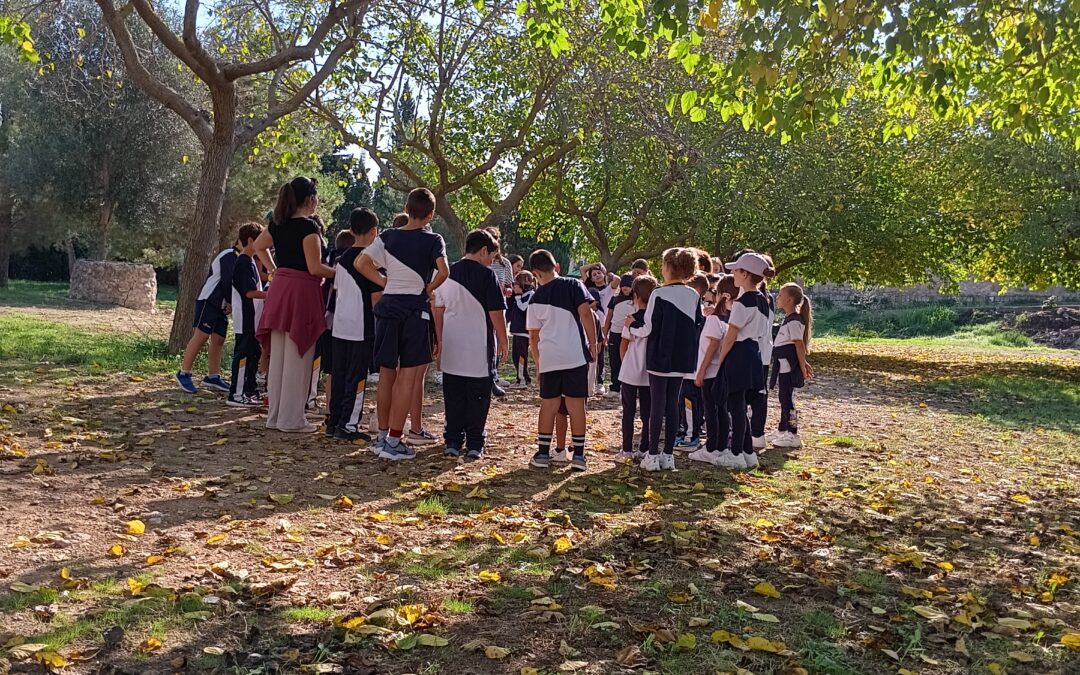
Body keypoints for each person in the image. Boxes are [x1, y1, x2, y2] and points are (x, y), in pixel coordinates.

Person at [356, 188, 449, 460]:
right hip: (414, 311)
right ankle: (395, 440)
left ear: (406, 209)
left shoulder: (387, 236)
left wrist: (386, 282)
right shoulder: (434, 240)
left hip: (388, 309)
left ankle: (383, 435)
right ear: (430, 214)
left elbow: (362, 262)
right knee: (408, 375)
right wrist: (427, 288)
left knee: (387, 373)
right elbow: (444, 271)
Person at [253, 176, 335, 433]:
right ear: (310, 199)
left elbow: (258, 245)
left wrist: (274, 270)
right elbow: (314, 267)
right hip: (301, 291)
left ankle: (276, 415)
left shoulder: (278, 224)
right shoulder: (309, 228)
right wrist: (340, 272)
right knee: (299, 355)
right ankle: (292, 418)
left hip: (281, 290)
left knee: (278, 354)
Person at [433, 229, 509, 459]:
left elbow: (438, 309)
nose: (491, 263)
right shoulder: (487, 276)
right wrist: (503, 340)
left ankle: (453, 440)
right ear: (483, 251)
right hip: (478, 347)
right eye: (492, 257)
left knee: (453, 394)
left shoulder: (447, 273)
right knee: (478, 397)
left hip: (453, 344)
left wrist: (439, 340)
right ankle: (475, 443)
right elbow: (496, 313)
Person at [625, 248, 702, 472]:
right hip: (682, 358)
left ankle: (652, 454)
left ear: (668, 267)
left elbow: (648, 328)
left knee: (657, 406)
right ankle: (668, 455)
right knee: (673, 404)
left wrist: (631, 325)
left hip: (659, 357)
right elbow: (698, 322)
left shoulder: (659, 294)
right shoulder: (693, 294)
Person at [526, 249, 598, 471]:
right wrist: (593, 344)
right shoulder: (573, 285)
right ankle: (578, 456)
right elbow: (586, 314)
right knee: (577, 405)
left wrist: (538, 364)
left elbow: (533, 336)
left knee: (549, 405)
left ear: (535, 273)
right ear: (556, 265)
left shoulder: (535, 298)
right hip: (574, 354)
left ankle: (543, 453)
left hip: (549, 357)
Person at [326, 208, 383, 442]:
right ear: (374, 232)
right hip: (362, 326)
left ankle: (334, 420)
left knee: (339, 374)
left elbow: (338, 290)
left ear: (351, 230)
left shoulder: (342, 259)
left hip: (340, 324)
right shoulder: (370, 261)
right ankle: (348, 425)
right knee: (356, 377)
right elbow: (375, 298)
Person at [715, 252, 775, 469]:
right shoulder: (762, 300)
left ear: (746, 274)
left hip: (739, 353)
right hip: (753, 353)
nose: (732, 274)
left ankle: (736, 453)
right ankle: (748, 452)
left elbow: (731, 335)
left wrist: (721, 359)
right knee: (741, 404)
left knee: (736, 406)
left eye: (736, 270)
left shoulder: (743, 302)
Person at [175, 243, 238, 394]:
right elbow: (227, 280)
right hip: (209, 301)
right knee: (201, 336)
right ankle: (184, 372)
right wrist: (231, 300)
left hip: (222, 306)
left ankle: (213, 377)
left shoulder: (243, 258)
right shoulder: (229, 255)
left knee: (219, 339)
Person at [689, 276, 735, 466]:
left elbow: (712, 345)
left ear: (723, 296)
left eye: (715, 293)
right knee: (721, 410)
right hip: (721, 370)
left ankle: (712, 447)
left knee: (712, 410)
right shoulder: (729, 318)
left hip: (711, 371)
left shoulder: (716, 319)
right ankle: (721, 445)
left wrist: (701, 372)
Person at [315, 229, 356, 428]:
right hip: (347, 318)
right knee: (348, 369)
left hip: (329, 317)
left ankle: (331, 411)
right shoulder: (349, 260)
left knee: (333, 369)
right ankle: (345, 414)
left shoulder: (330, 258)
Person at [226, 223, 267, 406]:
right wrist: (271, 294)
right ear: (250, 240)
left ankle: (249, 390)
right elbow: (249, 292)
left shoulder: (250, 261)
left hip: (253, 317)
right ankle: (236, 393)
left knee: (253, 353)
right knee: (242, 354)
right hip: (245, 317)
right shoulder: (243, 262)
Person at [617, 275, 656, 462]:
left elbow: (623, 345)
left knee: (628, 412)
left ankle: (626, 449)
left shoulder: (630, 319)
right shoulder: (656, 319)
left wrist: (626, 362)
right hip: (650, 372)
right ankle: (645, 448)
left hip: (631, 370)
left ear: (635, 296)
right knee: (648, 412)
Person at [770, 283, 814, 449]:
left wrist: (802, 366)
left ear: (789, 299)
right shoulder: (788, 319)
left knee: (786, 398)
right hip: (782, 364)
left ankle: (793, 432)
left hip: (788, 365)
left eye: (780, 296)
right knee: (783, 396)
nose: (777, 298)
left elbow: (799, 345)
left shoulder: (795, 320)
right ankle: (782, 430)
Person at [676, 271, 710, 450]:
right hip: (686, 366)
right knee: (683, 400)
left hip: (693, 367)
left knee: (690, 401)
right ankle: (685, 432)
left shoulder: (700, 315)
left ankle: (691, 436)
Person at [604, 275, 634, 398]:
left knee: (628, 361)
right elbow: (609, 317)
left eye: (629, 285)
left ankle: (628, 388)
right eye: (624, 285)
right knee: (614, 361)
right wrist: (605, 333)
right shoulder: (615, 299)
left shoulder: (636, 299)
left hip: (630, 334)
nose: (626, 288)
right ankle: (615, 387)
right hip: (615, 333)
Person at [508, 270, 535, 388]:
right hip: (516, 330)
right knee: (515, 355)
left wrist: (518, 296)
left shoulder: (530, 294)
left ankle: (522, 380)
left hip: (523, 331)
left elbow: (523, 308)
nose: (515, 287)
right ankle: (523, 377)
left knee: (521, 356)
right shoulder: (519, 295)